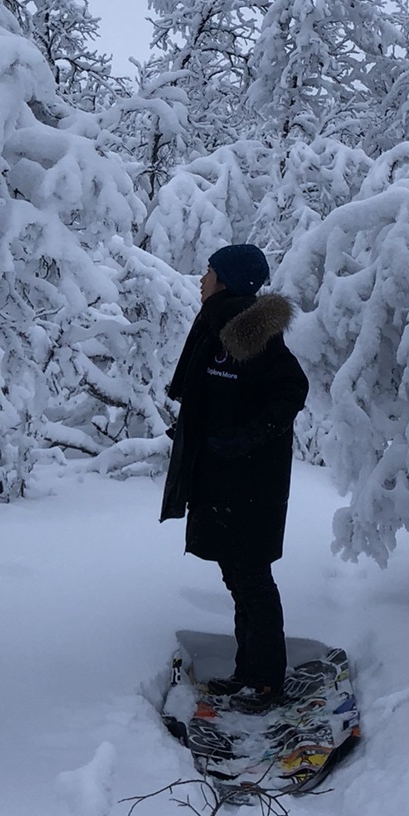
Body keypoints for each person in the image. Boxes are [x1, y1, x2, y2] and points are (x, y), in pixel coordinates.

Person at [160, 242, 309, 707]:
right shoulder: (218, 323)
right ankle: (251, 673)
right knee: (238, 575)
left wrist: (249, 436)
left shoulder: (248, 329)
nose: (202, 279)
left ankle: (264, 681)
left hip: (248, 483)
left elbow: (291, 387)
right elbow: (219, 390)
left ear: (228, 279)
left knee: (251, 579)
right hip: (225, 477)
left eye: (209, 271)